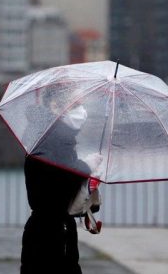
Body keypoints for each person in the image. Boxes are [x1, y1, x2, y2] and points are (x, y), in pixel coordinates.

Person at [20, 93, 99, 274]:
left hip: (50, 230)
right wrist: (85, 166)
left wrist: (85, 171)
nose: (81, 111)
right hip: (51, 235)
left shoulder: (48, 134)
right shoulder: (51, 138)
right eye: (75, 105)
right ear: (55, 106)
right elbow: (58, 185)